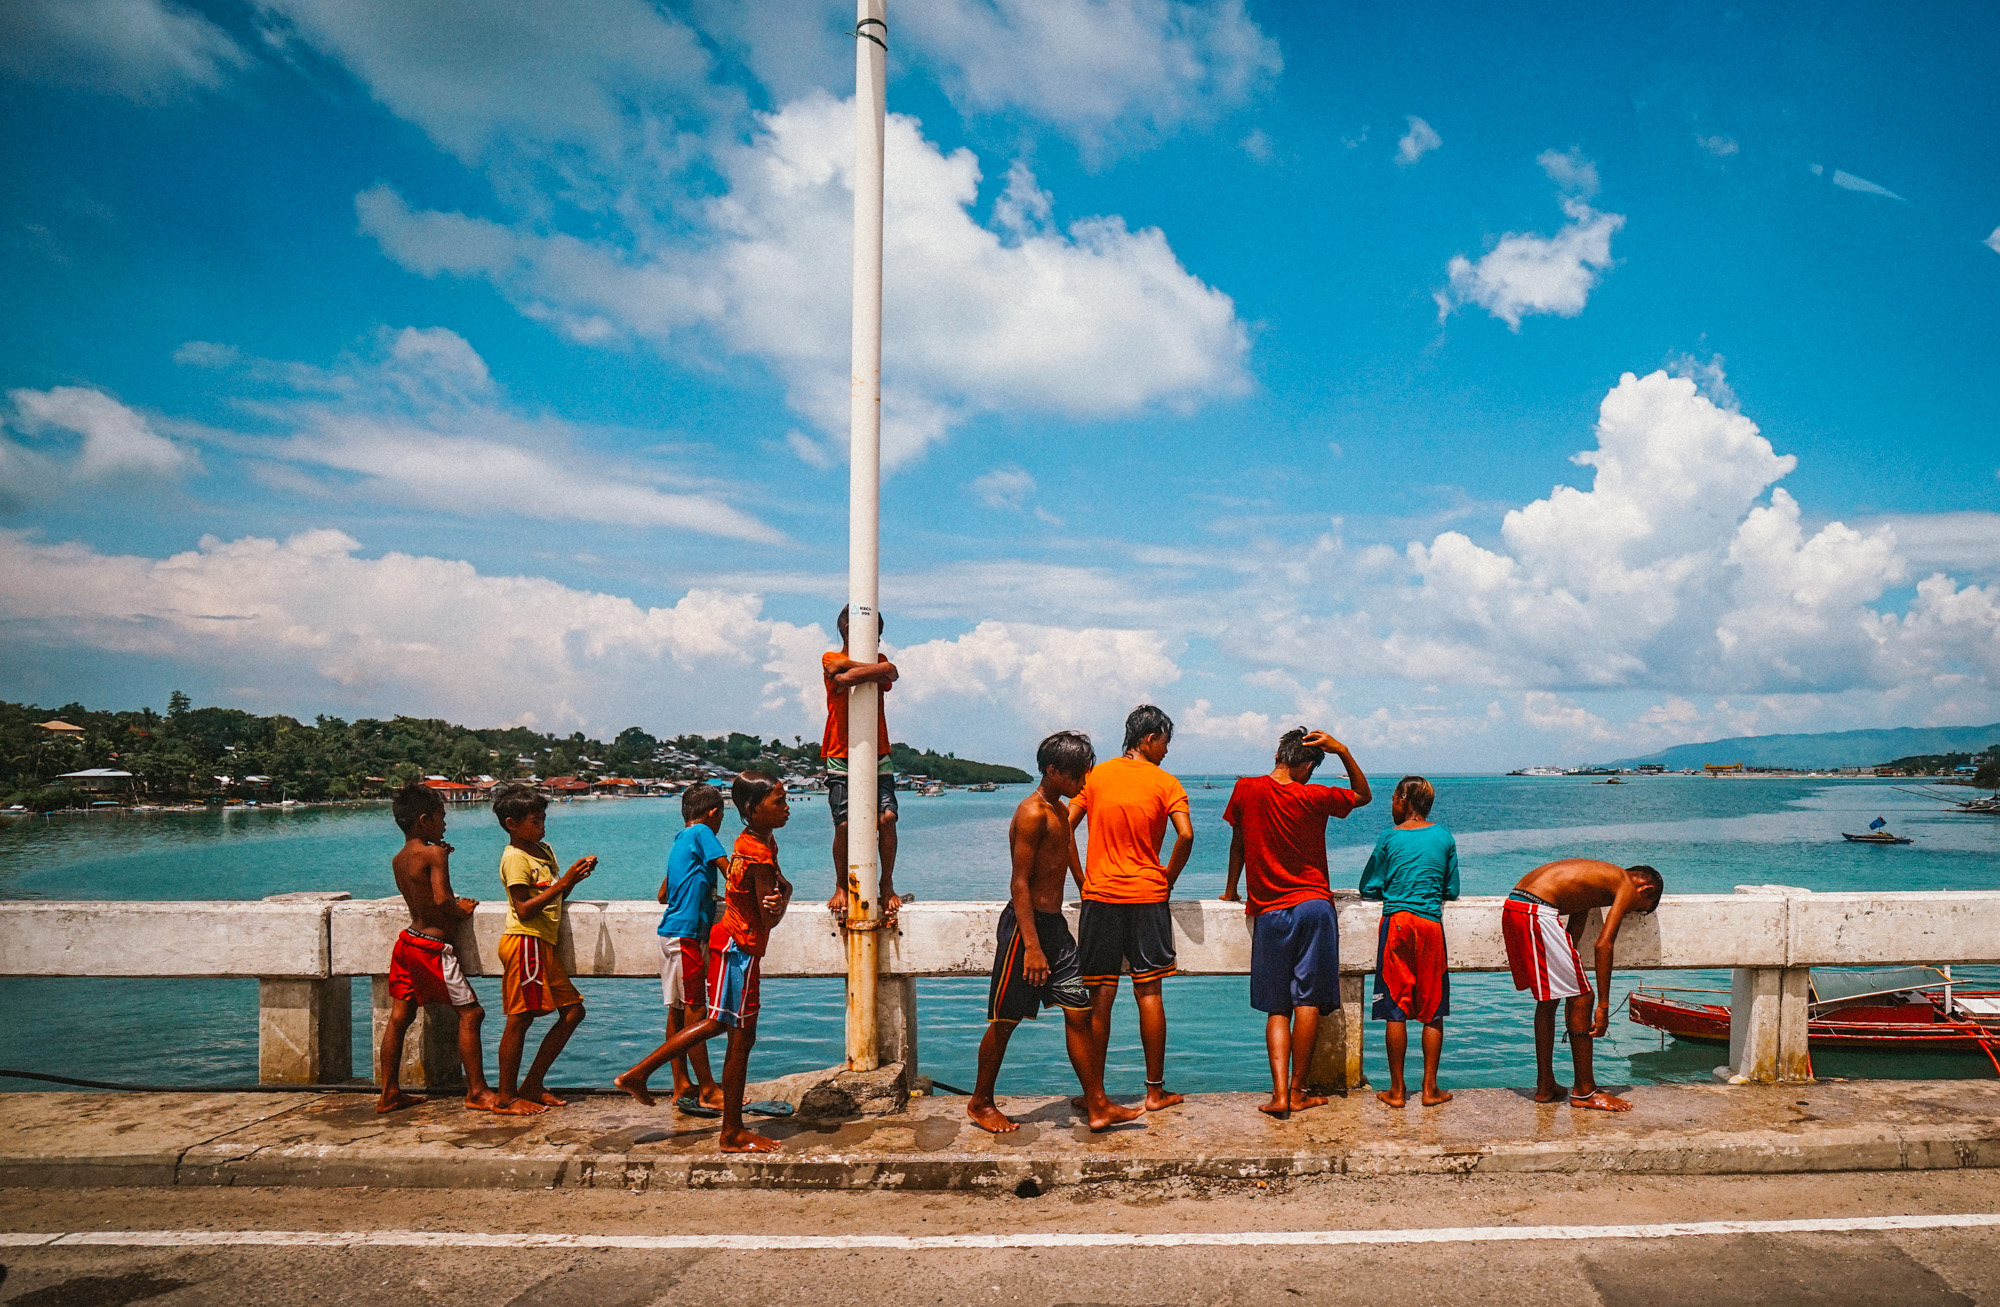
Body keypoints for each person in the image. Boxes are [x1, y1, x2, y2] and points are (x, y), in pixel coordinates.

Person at [968, 732, 1143, 1134]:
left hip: (1055, 929)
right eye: (1078, 773)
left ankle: (1098, 1105)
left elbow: (1066, 851)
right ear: (1053, 770)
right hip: (1025, 929)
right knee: (1006, 1019)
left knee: (1079, 1011)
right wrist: (1031, 946)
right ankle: (980, 1102)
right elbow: (1019, 883)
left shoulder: (1061, 813)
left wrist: (1086, 887)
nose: (1085, 779)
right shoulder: (1032, 813)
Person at [616, 771, 794, 1153]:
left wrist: (778, 892)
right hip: (740, 948)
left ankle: (646, 1076)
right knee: (732, 1035)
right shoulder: (756, 851)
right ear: (751, 809)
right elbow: (768, 917)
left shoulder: (754, 840)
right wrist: (786, 898)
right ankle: (728, 1130)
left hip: (727, 941)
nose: (787, 807)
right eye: (778, 801)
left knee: (723, 1027)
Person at [1221, 728, 1371, 1117]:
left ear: (1276, 755)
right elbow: (1362, 795)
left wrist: (1231, 890)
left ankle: (1278, 1095)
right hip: (1314, 908)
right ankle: (1298, 1089)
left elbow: (1238, 843)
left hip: (1269, 912)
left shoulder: (1245, 789)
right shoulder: (1314, 795)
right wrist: (1343, 749)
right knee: (1307, 1000)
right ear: (1307, 765)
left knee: (1277, 1009)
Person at [1070, 704, 1193, 1115]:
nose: (1166, 751)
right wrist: (1166, 880)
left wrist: (1081, 877)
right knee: (1150, 993)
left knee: (1099, 997)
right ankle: (1155, 1092)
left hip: (1100, 896)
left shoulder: (1095, 776)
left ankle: (1096, 1095)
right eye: (1164, 742)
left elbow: (1064, 824)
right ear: (1149, 738)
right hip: (1147, 896)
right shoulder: (1166, 782)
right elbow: (1186, 835)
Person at [376, 783, 528, 1115]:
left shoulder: (399, 858)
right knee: (472, 1013)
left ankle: (388, 1092)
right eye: (441, 818)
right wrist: (463, 910)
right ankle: (476, 1091)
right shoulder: (435, 853)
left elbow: (421, 894)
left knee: (400, 1017)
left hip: (407, 943)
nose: (445, 825)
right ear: (423, 819)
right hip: (432, 948)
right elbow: (443, 899)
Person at [1503, 858, 1665, 1111]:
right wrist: (1602, 1005)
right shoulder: (1623, 882)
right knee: (1583, 999)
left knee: (1550, 998)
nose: (1627, 910)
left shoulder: (1593, 883)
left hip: (1519, 906)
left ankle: (1546, 1085)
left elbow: (1573, 935)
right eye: (1637, 909)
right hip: (1537, 912)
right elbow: (1603, 944)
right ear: (1646, 890)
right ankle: (1585, 1092)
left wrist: (1569, 971)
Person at [618, 783, 728, 1113]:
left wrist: (704, 895)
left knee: (678, 1009)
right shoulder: (703, 833)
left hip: (670, 935)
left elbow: (663, 895)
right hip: (686, 936)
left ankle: (681, 1083)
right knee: (698, 1012)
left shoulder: (679, 840)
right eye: (720, 816)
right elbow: (731, 871)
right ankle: (708, 1088)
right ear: (713, 813)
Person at [491, 783, 595, 1110]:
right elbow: (523, 907)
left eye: (543, 819)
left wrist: (572, 881)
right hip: (525, 943)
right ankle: (507, 1097)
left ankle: (533, 1083)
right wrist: (565, 882)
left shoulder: (544, 850)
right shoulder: (514, 859)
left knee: (573, 1011)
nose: (542, 825)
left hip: (543, 945)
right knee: (520, 1019)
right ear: (512, 824)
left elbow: (553, 896)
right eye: (535, 821)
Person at [1358, 776, 1459, 1109]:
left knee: (1395, 1009)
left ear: (1405, 800)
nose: (1391, 805)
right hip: (1430, 925)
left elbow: (1369, 886)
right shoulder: (1444, 836)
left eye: (1393, 799)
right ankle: (1430, 1089)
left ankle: (1397, 1090)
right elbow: (1451, 890)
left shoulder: (1389, 837)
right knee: (1432, 1011)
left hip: (1398, 924)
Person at [822, 605, 902, 918]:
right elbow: (841, 673)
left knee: (888, 819)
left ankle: (887, 883)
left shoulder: (880, 661)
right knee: (843, 824)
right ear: (845, 629)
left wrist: (851, 670)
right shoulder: (830, 657)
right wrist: (873, 671)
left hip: (877, 751)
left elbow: (889, 672)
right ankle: (841, 885)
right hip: (840, 752)